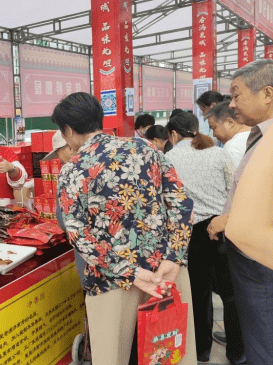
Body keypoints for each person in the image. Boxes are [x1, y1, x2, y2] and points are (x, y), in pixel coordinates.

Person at [54, 92, 196, 365]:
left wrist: (128, 272)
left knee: (114, 355)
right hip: (164, 272)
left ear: (68, 131)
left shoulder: (72, 169)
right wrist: (174, 256)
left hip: (111, 281)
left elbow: (79, 236)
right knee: (167, 351)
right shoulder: (147, 148)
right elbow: (181, 202)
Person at [164, 112, 243, 364]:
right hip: (222, 229)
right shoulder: (219, 153)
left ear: (174, 134)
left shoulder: (168, 158)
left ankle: (202, 352)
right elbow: (234, 188)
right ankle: (237, 353)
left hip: (192, 234)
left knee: (199, 294)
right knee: (231, 295)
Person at [221, 59, 273, 365]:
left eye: (237, 94)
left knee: (264, 338)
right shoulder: (260, 135)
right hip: (251, 256)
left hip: (260, 259)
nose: (231, 104)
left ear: (267, 94)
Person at [205, 101, 251, 169]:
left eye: (214, 128)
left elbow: (236, 178)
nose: (214, 134)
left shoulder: (232, 147)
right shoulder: (260, 134)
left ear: (230, 122)